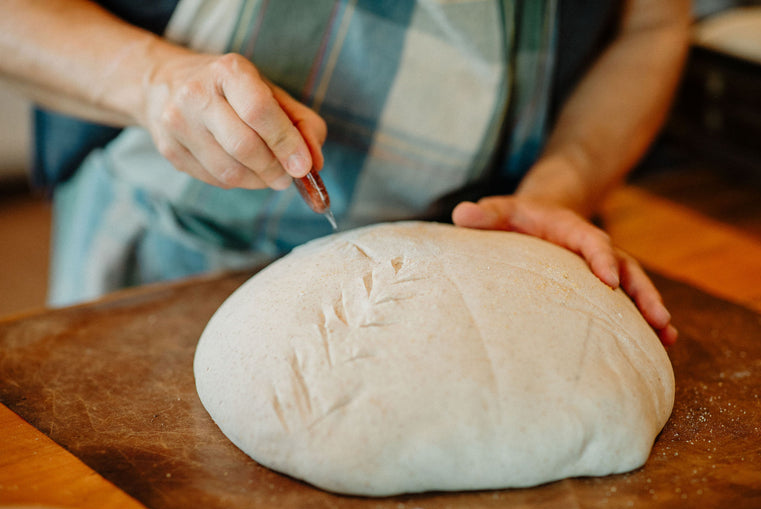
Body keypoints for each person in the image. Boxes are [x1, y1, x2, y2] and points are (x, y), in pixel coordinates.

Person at [0, 0, 688, 345]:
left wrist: (561, 186)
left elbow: (651, 25)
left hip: (490, 260)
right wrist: (153, 79)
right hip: (172, 260)